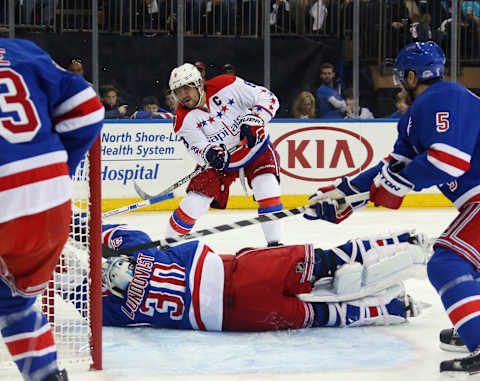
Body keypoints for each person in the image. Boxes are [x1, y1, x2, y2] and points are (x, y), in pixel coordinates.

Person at [303, 41, 480, 374]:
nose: (400, 84)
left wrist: (398, 183)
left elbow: (449, 161)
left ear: (412, 77)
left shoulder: (441, 97)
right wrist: (341, 195)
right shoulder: (419, 114)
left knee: (448, 262)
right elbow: (391, 168)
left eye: (402, 77)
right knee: (470, 265)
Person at [77, 224, 430, 331]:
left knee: (321, 318)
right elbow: (110, 233)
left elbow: (83, 301)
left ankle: (397, 307)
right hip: (240, 273)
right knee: (324, 261)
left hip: (235, 318)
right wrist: (77, 230)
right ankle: (401, 241)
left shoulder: (124, 311)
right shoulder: (144, 250)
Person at [0, 38, 104, 381]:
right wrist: (59, 170)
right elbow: (89, 110)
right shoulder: (22, 51)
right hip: (51, 202)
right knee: (13, 302)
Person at [166, 63, 283, 247]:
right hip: (222, 164)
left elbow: (268, 98)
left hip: (256, 149)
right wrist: (209, 153)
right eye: (178, 91)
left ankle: (275, 245)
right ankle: (168, 247)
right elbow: (197, 147)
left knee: (267, 187)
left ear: (199, 84)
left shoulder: (227, 85)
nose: (183, 95)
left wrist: (255, 119)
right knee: (194, 203)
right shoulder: (182, 119)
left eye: (187, 88)